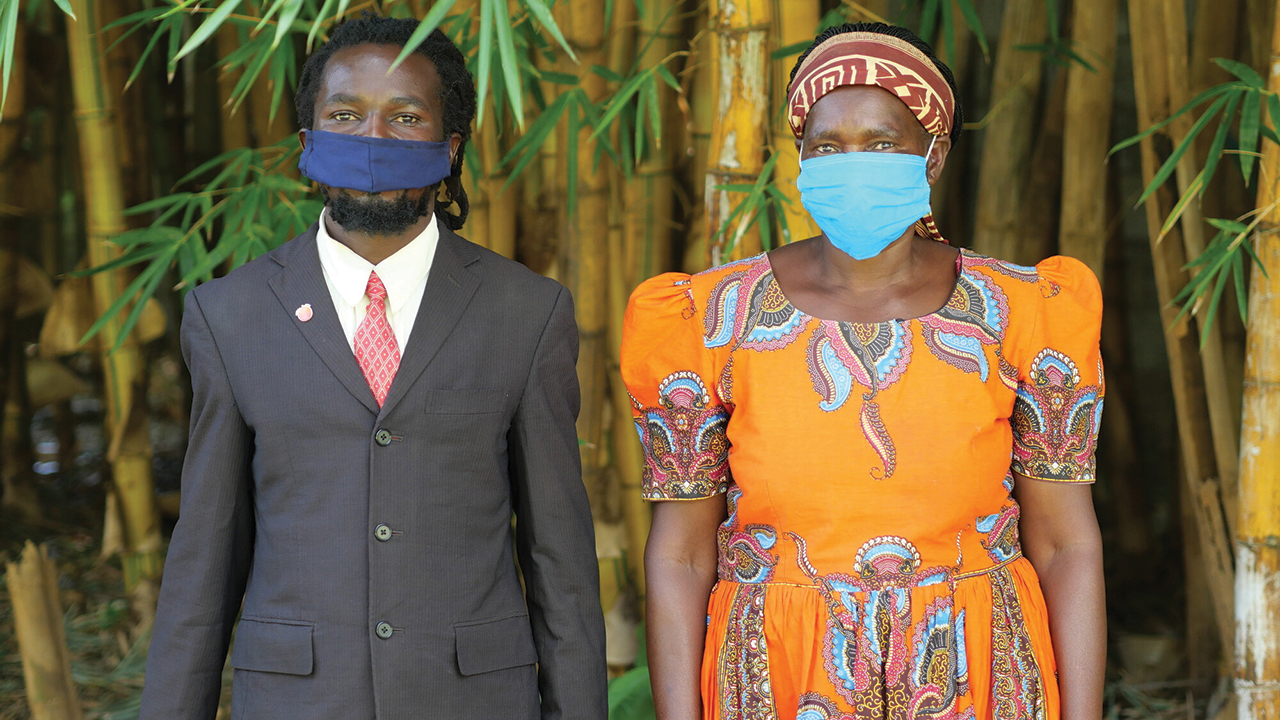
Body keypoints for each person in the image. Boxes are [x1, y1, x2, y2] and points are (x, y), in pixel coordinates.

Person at [622, 22, 1105, 720]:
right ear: (801, 160)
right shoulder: (707, 319)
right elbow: (681, 557)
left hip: (983, 672)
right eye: (827, 146)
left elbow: (1066, 543)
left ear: (932, 156)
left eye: (881, 143)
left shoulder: (1025, 313)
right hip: (774, 673)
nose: (853, 163)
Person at [139, 15, 606, 720]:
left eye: (406, 116)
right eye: (346, 116)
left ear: (450, 149)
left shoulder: (527, 314)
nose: (373, 141)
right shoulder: (228, 317)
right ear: (307, 143)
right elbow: (205, 559)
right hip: (297, 700)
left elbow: (559, 562)